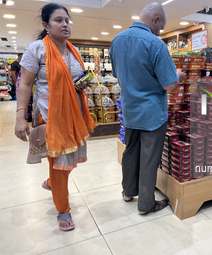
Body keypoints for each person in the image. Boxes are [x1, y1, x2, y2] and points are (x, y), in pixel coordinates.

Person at [14, 3, 96, 231]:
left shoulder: (74, 50)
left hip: (73, 116)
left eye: (67, 20)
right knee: (60, 163)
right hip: (50, 117)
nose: (65, 24)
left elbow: (74, 81)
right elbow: (25, 85)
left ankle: (51, 182)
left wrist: (82, 83)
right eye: (58, 20)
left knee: (64, 162)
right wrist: (20, 117)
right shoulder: (36, 49)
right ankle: (63, 209)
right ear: (45, 25)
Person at [110, 2, 186, 215]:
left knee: (130, 152)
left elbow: (117, 74)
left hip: (130, 109)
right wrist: (178, 76)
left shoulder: (117, 40)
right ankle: (145, 204)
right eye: (160, 26)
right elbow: (170, 85)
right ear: (155, 20)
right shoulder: (156, 44)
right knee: (150, 158)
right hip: (152, 112)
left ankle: (127, 192)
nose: (159, 30)